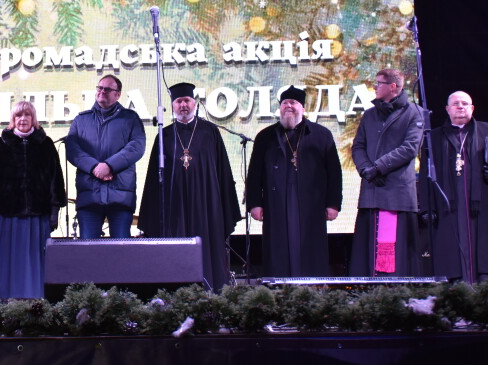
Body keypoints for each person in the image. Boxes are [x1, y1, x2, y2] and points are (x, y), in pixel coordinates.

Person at [138, 82, 242, 290]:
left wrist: (225, 206)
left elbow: (222, 171)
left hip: (206, 204)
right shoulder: (164, 135)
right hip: (174, 207)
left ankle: (211, 290)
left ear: (195, 103)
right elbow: (153, 179)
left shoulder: (211, 132)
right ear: (173, 106)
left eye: (187, 101)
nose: (183, 105)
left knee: (208, 245)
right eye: (178, 102)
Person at [245, 86, 343, 277]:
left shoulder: (321, 135)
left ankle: (311, 288)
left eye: (293, 102)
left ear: (303, 108)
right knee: (278, 248)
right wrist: (254, 203)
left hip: (311, 203)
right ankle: (279, 289)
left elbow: (334, 172)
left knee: (310, 248)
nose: (288, 106)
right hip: (276, 202)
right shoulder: (265, 136)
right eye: (284, 103)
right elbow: (255, 173)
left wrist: (333, 204)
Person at [0, 101, 66, 299]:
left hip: (39, 215)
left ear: (33, 118)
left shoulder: (45, 144)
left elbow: (56, 179)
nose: (23, 119)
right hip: (10, 216)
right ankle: (9, 301)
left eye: (27, 115)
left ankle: (38, 301)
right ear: (13, 119)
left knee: (38, 259)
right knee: (10, 259)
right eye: (18, 115)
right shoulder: (1, 144)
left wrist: (54, 211)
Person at [350, 68, 423, 277]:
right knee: (368, 252)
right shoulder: (370, 114)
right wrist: (366, 169)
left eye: (379, 83)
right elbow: (358, 146)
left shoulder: (414, 113)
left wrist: (379, 167)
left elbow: (410, 148)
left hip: (396, 193)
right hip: (372, 190)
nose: (374, 87)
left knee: (395, 256)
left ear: (392, 86)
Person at [419, 91, 488, 283]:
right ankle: (456, 285)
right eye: (456, 104)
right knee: (450, 250)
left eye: (465, 103)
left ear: (472, 108)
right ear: (447, 109)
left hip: (481, 203)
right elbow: (425, 175)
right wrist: (426, 207)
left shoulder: (486, 131)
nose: (460, 107)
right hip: (448, 204)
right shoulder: (433, 137)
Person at [66, 75, 146, 238]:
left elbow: (136, 146)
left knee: (121, 249)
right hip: (89, 196)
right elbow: (72, 150)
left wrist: (109, 166)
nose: (102, 91)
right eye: (100, 88)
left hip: (120, 196)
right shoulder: (81, 120)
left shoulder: (130, 118)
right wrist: (94, 167)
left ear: (118, 94)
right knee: (89, 249)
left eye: (108, 89)